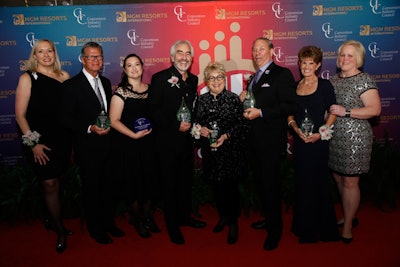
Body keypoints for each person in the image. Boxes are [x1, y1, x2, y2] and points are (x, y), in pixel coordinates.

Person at [61, 42, 125, 244]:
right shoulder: (71, 86)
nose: (96, 60)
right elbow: (65, 118)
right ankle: (95, 229)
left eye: (99, 57)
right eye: (91, 57)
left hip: (108, 146)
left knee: (109, 188)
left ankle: (108, 223)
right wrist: (90, 127)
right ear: (83, 59)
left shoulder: (106, 82)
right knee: (92, 190)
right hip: (87, 148)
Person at [239, 37, 297, 250]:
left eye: (261, 49)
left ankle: (275, 230)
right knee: (262, 186)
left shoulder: (282, 74)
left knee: (271, 187)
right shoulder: (254, 77)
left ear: (272, 51)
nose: (257, 53)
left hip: (271, 144)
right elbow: (257, 102)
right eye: (254, 50)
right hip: (254, 143)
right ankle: (268, 219)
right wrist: (246, 96)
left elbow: (290, 104)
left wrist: (261, 112)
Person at [15, 39, 72, 253]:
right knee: (49, 184)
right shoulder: (27, 78)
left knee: (57, 181)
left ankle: (50, 219)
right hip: (39, 141)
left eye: (50, 51)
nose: (46, 55)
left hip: (62, 139)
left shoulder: (64, 76)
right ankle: (59, 230)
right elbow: (20, 116)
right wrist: (34, 145)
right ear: (34, 56)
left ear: (54, 54)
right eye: (41, 51)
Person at [149, 40, 206, 245]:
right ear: (172, 57)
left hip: (186, 142)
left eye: (187, 53)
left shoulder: (193, 79)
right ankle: (172, 226)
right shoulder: (160, 78)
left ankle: (185, 217)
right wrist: (174, 125)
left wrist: (197, 127)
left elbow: (193, 108)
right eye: (179, 53)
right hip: (166, 143)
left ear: (191, 58)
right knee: (170, 185)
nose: (184, 57)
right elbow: (153, 109)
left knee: (185, 182)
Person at [329, 40, 381, 244]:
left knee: (351, 182)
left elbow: (375, 109)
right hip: (334, 137)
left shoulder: (364, 79)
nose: (345, 59)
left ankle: (348, 226)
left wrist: (346, 111)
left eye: (350, 55)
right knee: (339, 179)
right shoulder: (333, 80)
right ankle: (348, 214)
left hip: (355, 138)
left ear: (358, 58)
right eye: (342, 54)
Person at [287, 45, 339, 243]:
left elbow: (333, 112)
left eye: (311, 63)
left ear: (317, 65)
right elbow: (289, 114)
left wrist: (321, 133)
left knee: (319, 184)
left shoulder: (325, 86)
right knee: (303, 184)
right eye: (303, 62)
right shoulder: (294, 86)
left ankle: (325, 229)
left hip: (318, 143)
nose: (306, 66)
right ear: (299, 64)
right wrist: (295, 128)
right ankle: (305, 229)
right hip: (301, 142)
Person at [193, 62, 248, 245]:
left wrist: (226, 135)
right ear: (206, 81)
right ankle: (223, 217)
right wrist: (200, 130)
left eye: (219, 77)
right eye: (211, 78)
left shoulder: (233, 99)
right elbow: (195, 123)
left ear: (224, 78)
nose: (216, 81)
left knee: (231, 189)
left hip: (230, 152)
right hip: (211, 153)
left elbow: (242, 125)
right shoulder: (201, 100)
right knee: (217, 188)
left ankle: (233, 223)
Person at [108, 53, 161, 239]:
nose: (134, 68)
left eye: (137, 64)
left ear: (142, 66)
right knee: (134, 184)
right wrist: (133, 135)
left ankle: (147, 216)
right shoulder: (120, 93)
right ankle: (137, 219)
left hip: (149, 145)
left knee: (149, 182)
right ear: (124, 69)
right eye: (129, 65)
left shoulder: (151, 89)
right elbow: (113, 121)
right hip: (129, 146)